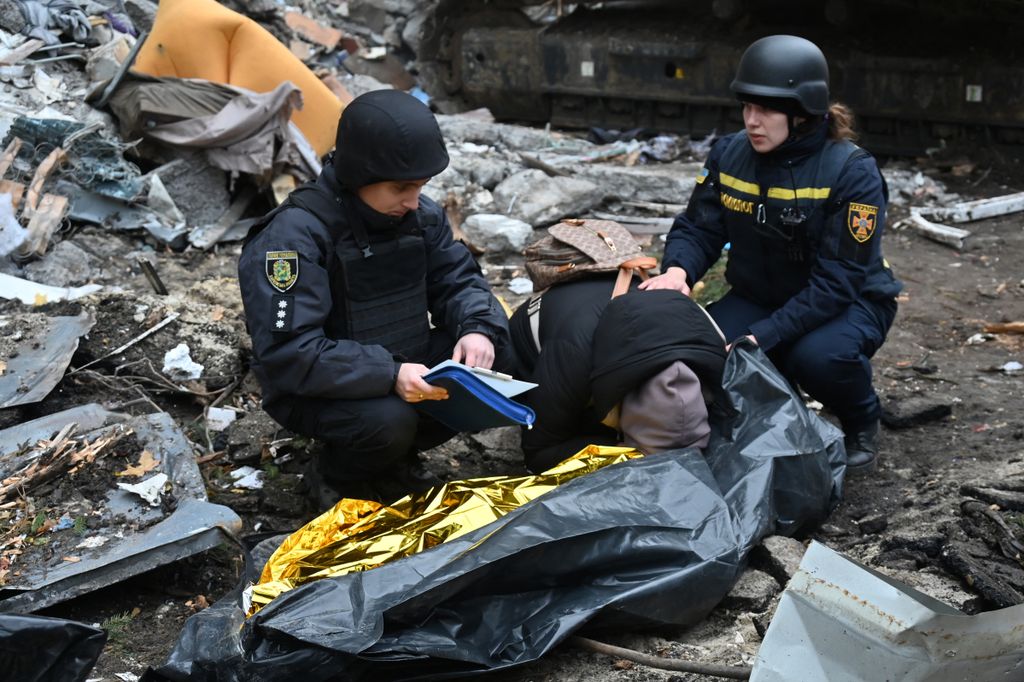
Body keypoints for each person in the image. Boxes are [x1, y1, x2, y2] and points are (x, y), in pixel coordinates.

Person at [640, 35, 902, 474]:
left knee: (817, 358)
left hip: (848, 302)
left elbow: (839, 281)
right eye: (746, 106)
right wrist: (678, 271)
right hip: (760, 293)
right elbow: (699, 226)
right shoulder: (730, 153)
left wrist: (764, 335)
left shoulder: (851, 171)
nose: (752, 121)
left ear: (802, 113)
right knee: (702, 351)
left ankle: (860, 419)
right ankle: (782, 405)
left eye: (766, 109)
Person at [238, 89, 511, 505]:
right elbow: (289, 353)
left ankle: (394, 463)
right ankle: (337, 476)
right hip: (315, 389)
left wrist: (477, 330)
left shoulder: (418, 216)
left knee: (491, 363)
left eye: (421, 186)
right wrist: (389, 373)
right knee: (388, 421)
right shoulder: (294, 237)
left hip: (398, 362)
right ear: (359, 176)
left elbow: (458, 280)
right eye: (402, 188)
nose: (414, 200)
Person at [509, 276, 727, 473]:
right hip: (537, 345)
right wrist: (621, 455)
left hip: (609, 321)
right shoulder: (573, 357)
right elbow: (538, 454)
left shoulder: (713, 350)